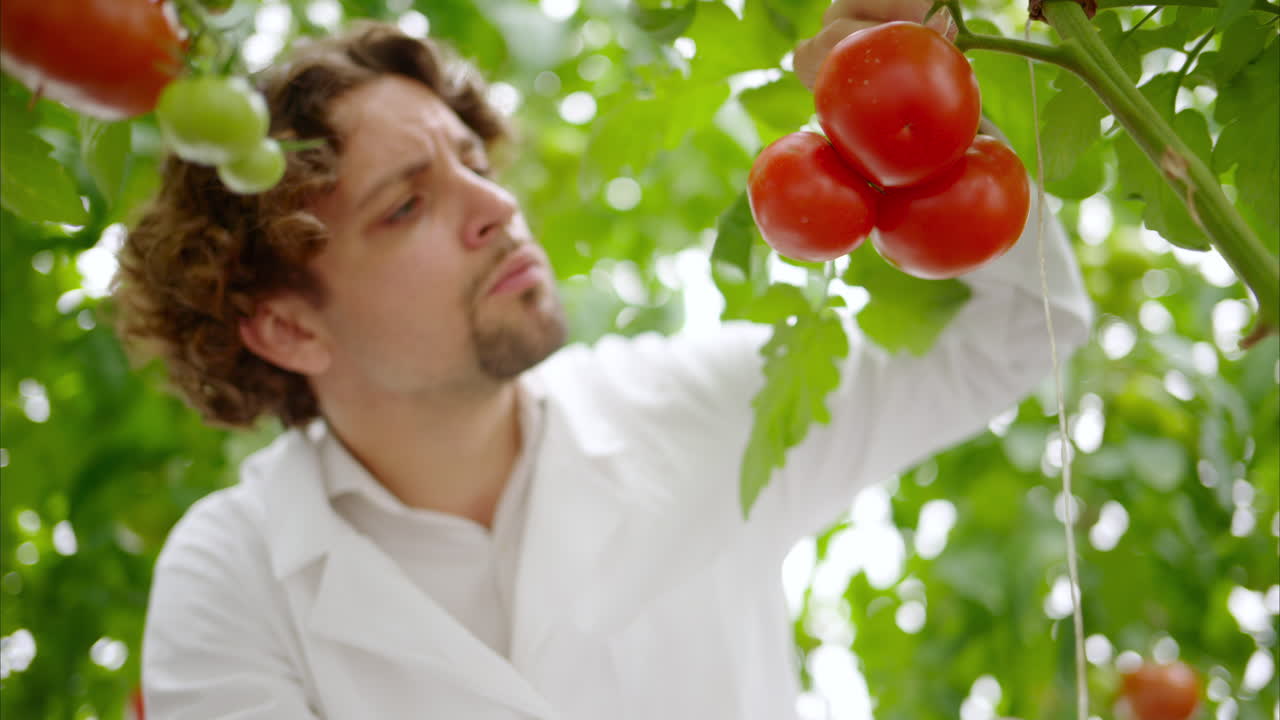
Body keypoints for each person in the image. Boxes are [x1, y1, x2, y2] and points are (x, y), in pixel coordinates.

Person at [112, 0, 1092, 717]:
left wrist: (905, 85)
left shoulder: (691, 408)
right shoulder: (232, 572)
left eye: (476, 163)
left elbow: (1019, 328)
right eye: (406, 204)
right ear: (287, 327)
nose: (495, 207)